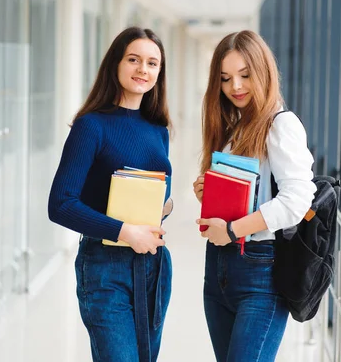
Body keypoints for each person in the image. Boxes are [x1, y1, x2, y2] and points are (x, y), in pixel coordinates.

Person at [48, 26, 173, 362]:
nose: (142, 70)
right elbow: (60, 205)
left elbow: (157, 195)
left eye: (152, 63)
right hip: (105, 267)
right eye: (133, 59)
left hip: (153, 265)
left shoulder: (158, 130)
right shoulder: (91, 126)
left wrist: (166, 206)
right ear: (115, 64)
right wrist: (125, 231)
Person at [193, 30, 316, 362]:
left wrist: (233, 230)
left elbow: (297, 199)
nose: (235, 86)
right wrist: (207, 191)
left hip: (260, 273)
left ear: (264, 71)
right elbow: (247, 195)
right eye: (226, 78)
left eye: (245, 75)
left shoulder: (280, 125)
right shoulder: (235, 127)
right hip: (218, 268)